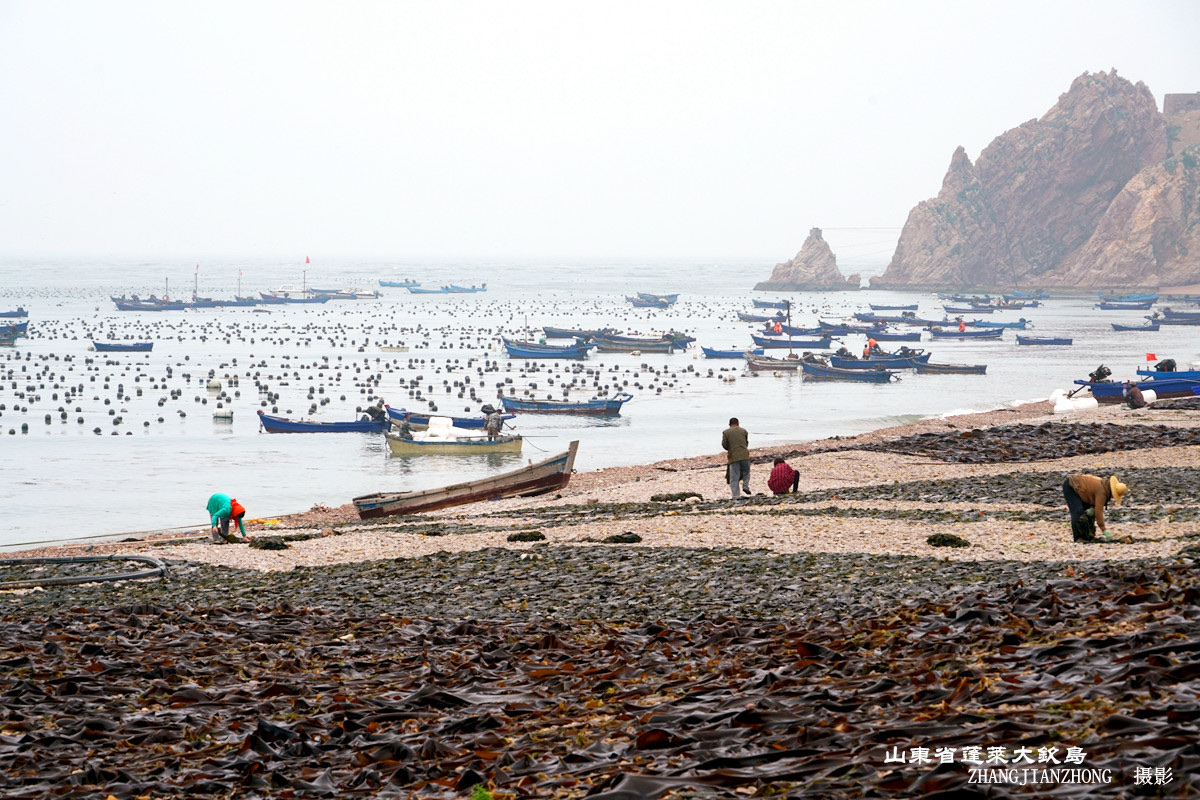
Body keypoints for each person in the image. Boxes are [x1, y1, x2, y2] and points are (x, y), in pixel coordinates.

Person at [1063, 473, 1127, 542]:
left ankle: (1086, 536)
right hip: (1071, 485)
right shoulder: (1102, 492)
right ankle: (1077, 537)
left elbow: (1091, 495)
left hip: (1082, 490)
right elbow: (1098, 511)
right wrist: (1103, 529)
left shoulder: (1105, 485)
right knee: (1078, 512)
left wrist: (1092, 508)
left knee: (1087, 514)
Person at [721, 417, 751, 499]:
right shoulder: (744, 431)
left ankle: (736, 495)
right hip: (745, 455)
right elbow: (746, 442)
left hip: (734, 457)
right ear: (738, 423)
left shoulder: (726, 432)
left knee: (734, 477)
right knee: (746, 473)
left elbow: (724, 445)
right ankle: (745, 486)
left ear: (729, 425)